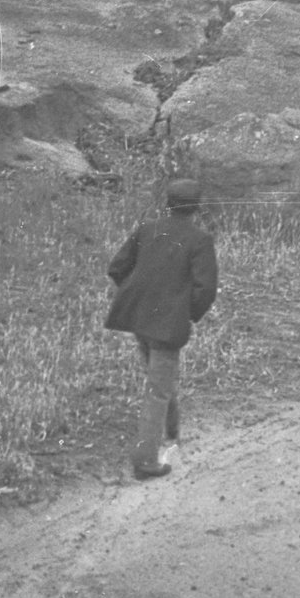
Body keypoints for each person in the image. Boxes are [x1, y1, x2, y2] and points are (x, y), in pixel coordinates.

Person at [104, 178, 219, 480]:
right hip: (167, 325)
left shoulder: (147, 229)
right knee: (158, 388)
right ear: (196, 208)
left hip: (139, 318)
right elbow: (206, 290)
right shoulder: (200, 240)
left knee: (159, 379)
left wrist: (138, 295)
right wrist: (186, 312)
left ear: (167, 203)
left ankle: (171, 433)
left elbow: (116, 268)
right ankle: (145, 461)